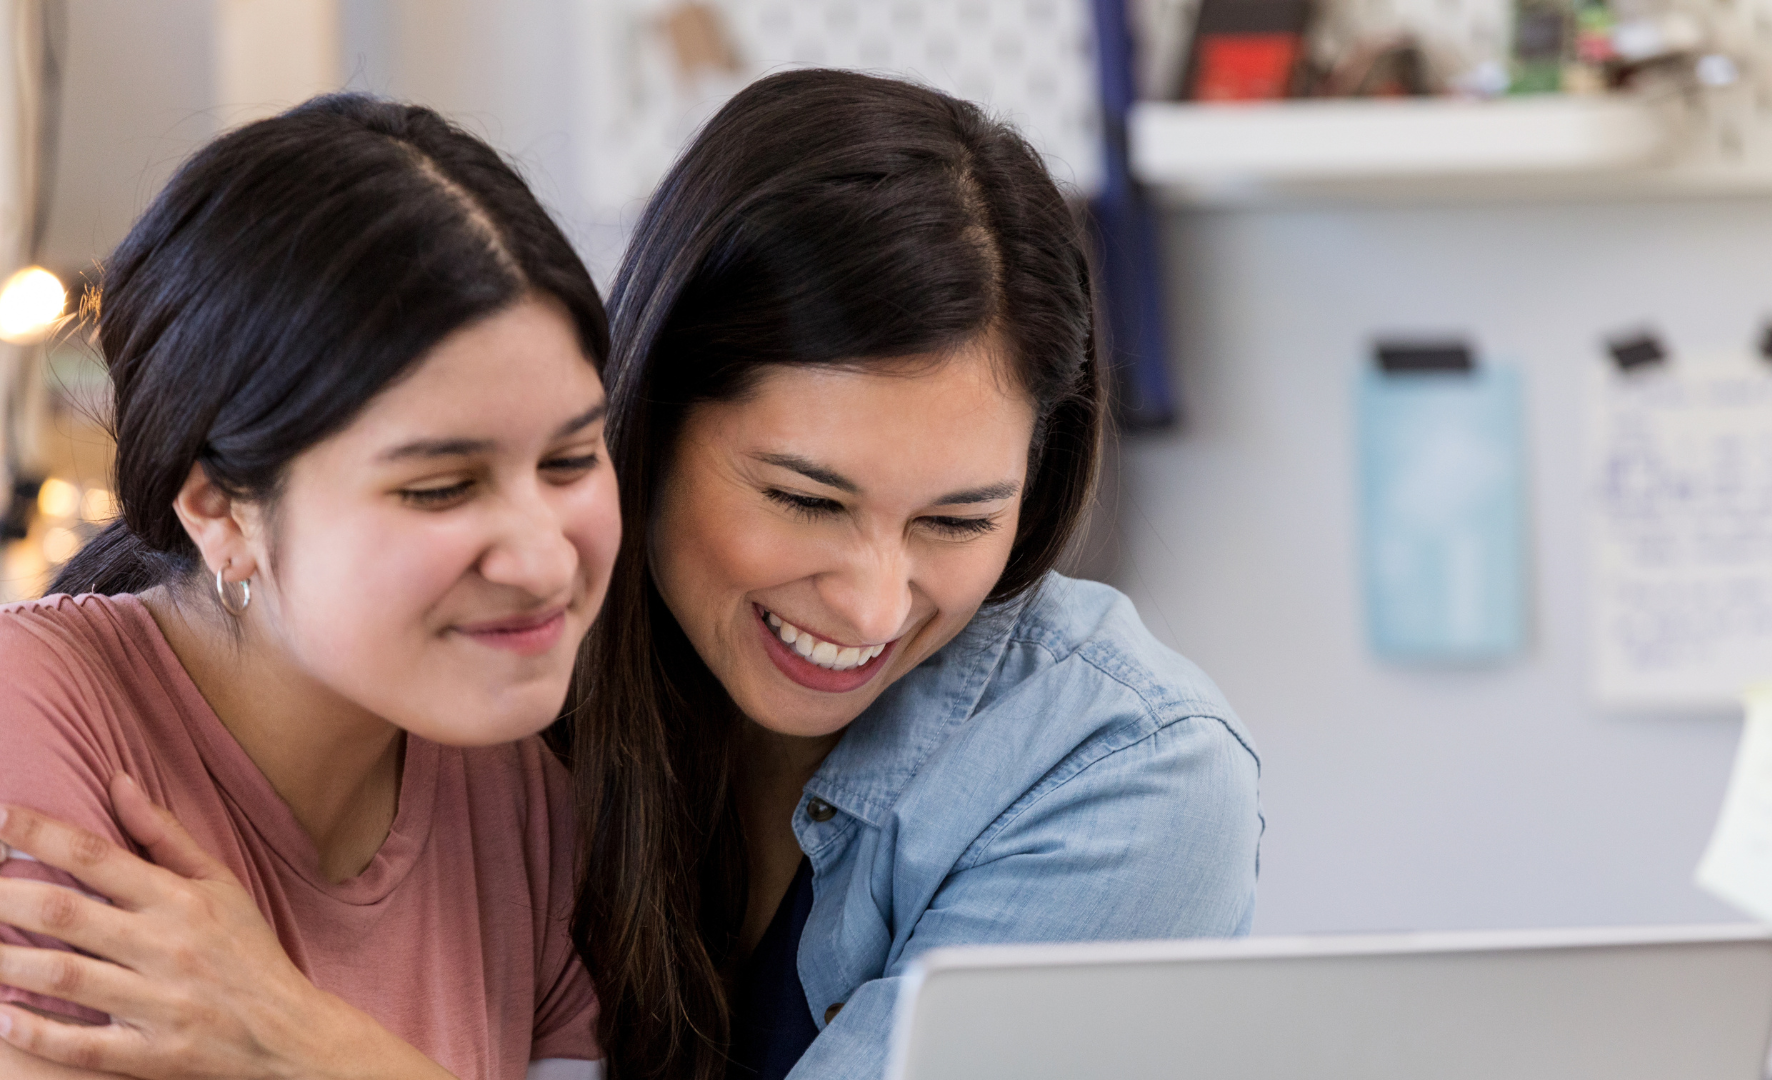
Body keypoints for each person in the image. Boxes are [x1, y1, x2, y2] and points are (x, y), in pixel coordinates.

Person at [560, 69, 1263, 1080]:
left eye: (955, 521)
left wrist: (310, 1044)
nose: (873, 605)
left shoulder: (1130, 772)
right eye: (806, 500)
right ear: (649, 418)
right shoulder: (496, 677)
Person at [0, 94, 619, 1080]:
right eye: (441, 487)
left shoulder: (524, 809)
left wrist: (306, 1042)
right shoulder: (32, 722)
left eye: (572, 459)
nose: (546, 560)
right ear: (220, 511)